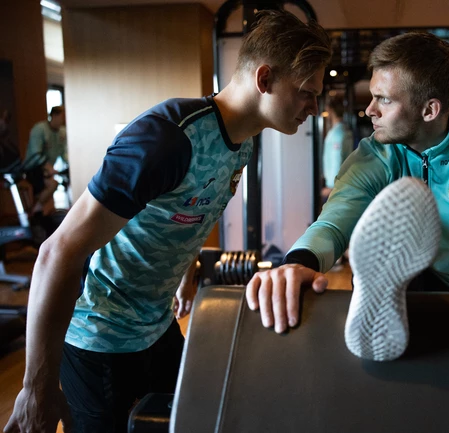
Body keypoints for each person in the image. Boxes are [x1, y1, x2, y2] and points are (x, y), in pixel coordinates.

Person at [4, 10, 331, 433]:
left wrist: (186, 269)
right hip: (99, 334)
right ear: (265, 79)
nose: (314, 107)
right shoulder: (166, 138)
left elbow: (191, 209)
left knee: (190, 419)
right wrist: (35, 389)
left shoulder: (245, 142)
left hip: (156, 324)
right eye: (307, 93)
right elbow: (57, 251)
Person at [246, 32, 449, 359]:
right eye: (372, 96)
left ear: (429, 109)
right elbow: (333, 223)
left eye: (384, 99)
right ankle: (382, 296)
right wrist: (298, 263)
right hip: (386, 299)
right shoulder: (374, 155)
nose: (370, 110)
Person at [24, 106, 67, 216]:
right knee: (52, 184)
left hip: (46, 170)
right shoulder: (40, 129)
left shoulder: (62, 132)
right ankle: (35, 212)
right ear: (54, 116)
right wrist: (48, 168)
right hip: (33, 168)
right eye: (61, 117)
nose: (62, 121)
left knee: (53, 185)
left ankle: (36, 212)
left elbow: (64, 153)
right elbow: (36, 153)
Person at [321, 96, 353, 203]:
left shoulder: (338, 133)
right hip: (342, 183)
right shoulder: (344, 130)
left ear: (330, 110)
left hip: (336, 186)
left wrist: (331, 186)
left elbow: (337, 159)